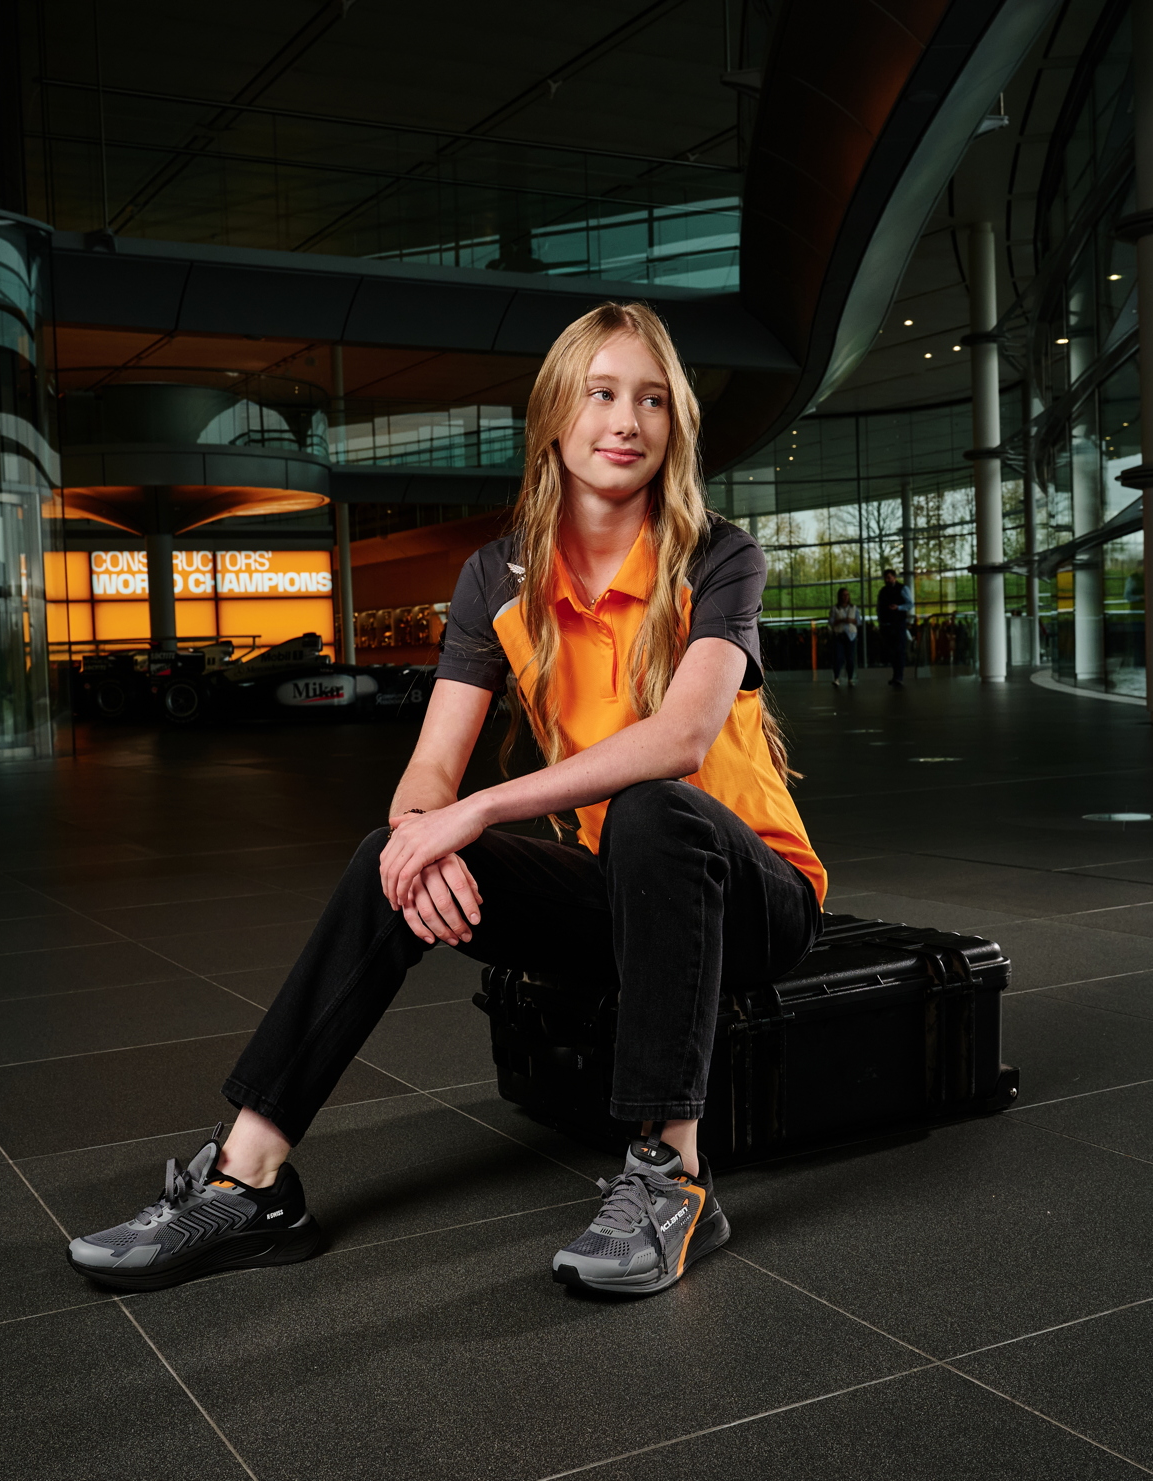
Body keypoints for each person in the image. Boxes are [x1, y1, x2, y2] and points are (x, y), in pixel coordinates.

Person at [66, 303, 826, 1300]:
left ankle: (671, 1177)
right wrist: (426, 834)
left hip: (751, 898)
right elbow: (430, 769)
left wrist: (479, 811)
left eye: (650, 399)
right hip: (625, 900)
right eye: (600, 392)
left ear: (675, 424)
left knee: (649, 805)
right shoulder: (496, 576)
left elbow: (679, 741)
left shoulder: (717, 555)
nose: (626, 419)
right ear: (554, 415)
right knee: (398, 846)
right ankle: (246, 1178)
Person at [875, 567, 914, 686]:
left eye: (889, 578)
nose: (887, 580)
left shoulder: (902, 589)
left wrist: (898, 608)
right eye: (886, 578)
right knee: (893, 651)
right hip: (888, 625)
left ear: (894, 577)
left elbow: (910, 604)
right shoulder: (884, 591)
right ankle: (896, 676)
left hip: (897, 624)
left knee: (899, 650)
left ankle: (898, 676)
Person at [827, 587, 859, 686]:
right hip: (839, 635)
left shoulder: (854, 608)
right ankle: (836, 677)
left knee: (850, 658)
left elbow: (858, 621)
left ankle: (850, 678)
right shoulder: (835, 608)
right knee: (838, 657)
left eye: (847, 595)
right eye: (843, 595)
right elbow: (831, 622)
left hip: (851, 635)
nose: (845, 597)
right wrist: (841, 620)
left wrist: (851, 620)